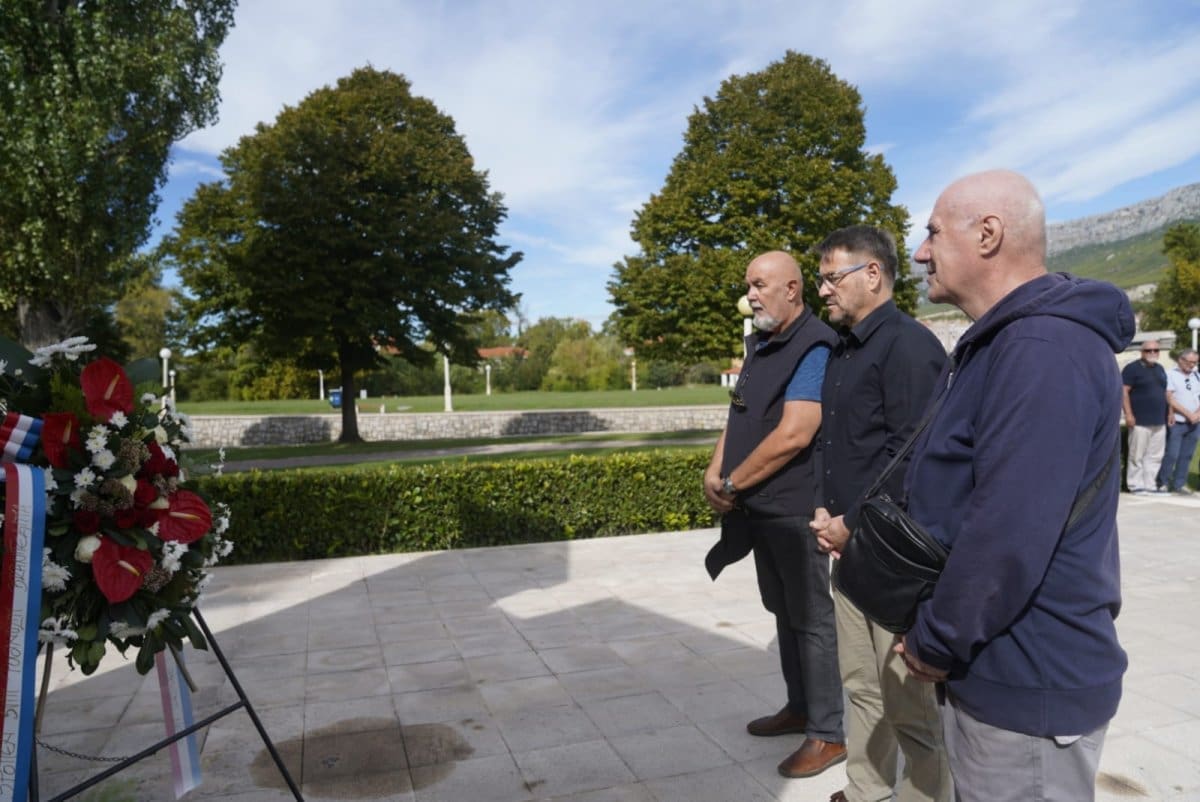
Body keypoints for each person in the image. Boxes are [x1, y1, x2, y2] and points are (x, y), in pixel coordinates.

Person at [897, 170, 1133, 802]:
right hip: (997, 667)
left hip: (1029, 678)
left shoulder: (1041, 348)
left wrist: (936, 639)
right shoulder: (1011, 343)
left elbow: (1008, 530)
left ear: (988, 234)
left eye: (933, 232)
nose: (920, 252)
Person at [808, 225, 952, 802]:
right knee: (862, 685)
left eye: (830, 277)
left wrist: (852, 522)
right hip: (848, 547)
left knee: (907, 700)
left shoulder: (909, 346)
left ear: (872, 274)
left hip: (892, 559)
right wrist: (826, 512)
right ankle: (866, 790)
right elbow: (837, 443)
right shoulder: (843, 348)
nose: (822, 289)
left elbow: (910, 455)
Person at [703, 250, 845, 779]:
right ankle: (800, 707)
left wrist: (734, 481)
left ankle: (828, 733)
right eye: (749, 285)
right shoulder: (762, 343)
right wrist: (715, 469)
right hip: (759, 506)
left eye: (760, 285)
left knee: (811, 618)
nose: (751, 294)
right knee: (782, 610)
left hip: (793, 507)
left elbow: (795, 433)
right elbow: (738, 414)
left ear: (792, 289)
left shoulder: (814, 345)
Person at [1121, 340, 1169, 493]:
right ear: (1142, 352)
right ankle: (1135, 485)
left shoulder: (1160, 368)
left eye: (1156, 350)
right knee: (1137, 455)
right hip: (1140, 420)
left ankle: (1150, 485)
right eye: (1149, 350)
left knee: (1155, 455)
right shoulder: (1132, 368)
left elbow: (1165, 392)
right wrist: (1128, 414)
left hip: (1159, 420)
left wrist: (1170, 412)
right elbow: (1123, 391)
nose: (1152, 353)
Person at [1157, 348, 1200, 494]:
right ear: (1181, 360)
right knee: (1172, 454)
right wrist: (1188, 414)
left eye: (1195, 362)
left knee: (1187, 455)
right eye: (1190, 362)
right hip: (1178, 422)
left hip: (1195, 423)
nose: (1192, 365)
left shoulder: (1197, 376)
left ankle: (1179, 484)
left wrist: (1196, 415)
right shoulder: (1170, 374)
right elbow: (1170, 398)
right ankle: (1163, 482)